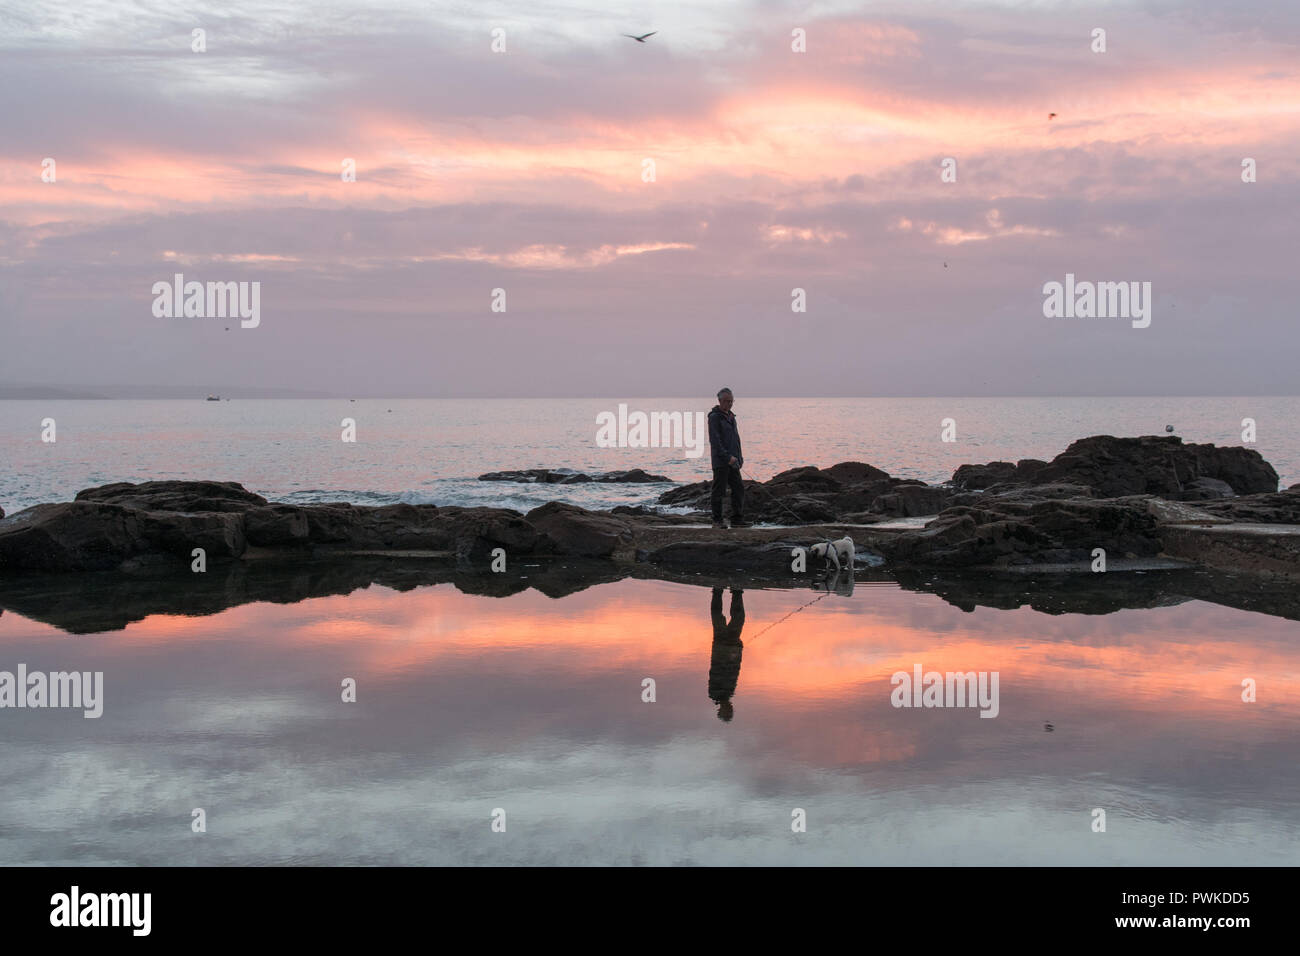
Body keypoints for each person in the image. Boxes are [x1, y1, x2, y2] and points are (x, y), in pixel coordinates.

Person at [707, 387, 749, 529]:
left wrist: (739, 457)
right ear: (719, 401)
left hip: (734, 460)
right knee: (719, 491)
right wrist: (727, 457)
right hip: (721, 461)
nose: (729, 404)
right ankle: (717, 521)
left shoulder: (731, 417)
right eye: (726, 401)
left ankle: (737, 519)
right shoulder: (714, 417)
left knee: (739, 488)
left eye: (731, 401)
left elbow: (736, 439)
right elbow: (715, 441)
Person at [708, 588, 745, 722]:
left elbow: (718, 670)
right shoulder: (729, 692)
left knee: (718, 617)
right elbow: (736, 670)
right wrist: (739, 651)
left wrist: (733, 653)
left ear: (721, 710)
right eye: (730, 710)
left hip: (721, 647)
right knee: (738, 618)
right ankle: (736, 592)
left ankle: (718, 592)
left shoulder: (714, 693)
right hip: (732, 646)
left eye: (727, 710)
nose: (730, 707)